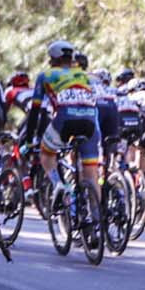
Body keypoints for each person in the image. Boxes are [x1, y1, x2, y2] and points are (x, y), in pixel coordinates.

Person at [23, 41, 102, 216]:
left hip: (65, 119)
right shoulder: (84, 75)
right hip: (89, 121)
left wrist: (29, 141)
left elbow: (35, 111)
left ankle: (59, 184)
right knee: (91, 174)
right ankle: (96, 222)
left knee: (46, 153)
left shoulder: (46, 75)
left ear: (52, 58)